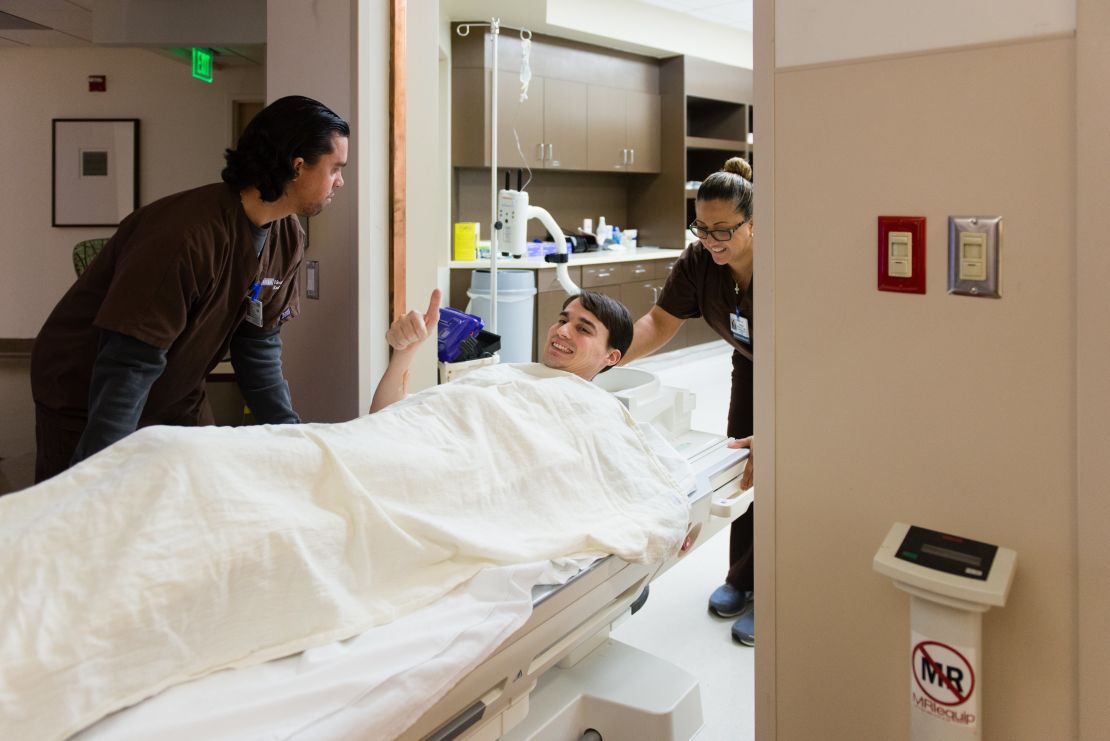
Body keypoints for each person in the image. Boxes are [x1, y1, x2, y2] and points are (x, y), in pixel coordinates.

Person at [30, 95, 349, 483]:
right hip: (89, 392)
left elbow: (258, 344)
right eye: (335, 168)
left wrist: (292, 437)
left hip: (177, 389)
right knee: (88, 512)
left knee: (193, 494)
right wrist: (97, 473)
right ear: (298, 166)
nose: (340, 181)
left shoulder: (287, 237)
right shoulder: (184, 234)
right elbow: (130, 361)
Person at [619, 156, 758, 646]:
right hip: (752, 360)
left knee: (787, 468)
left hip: (803, 373)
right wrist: (606, 357)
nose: (712, 240)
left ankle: (783, 593)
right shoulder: (700, 261)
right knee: (747, 465)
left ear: (754, 222)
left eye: (725, 230)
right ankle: (744, 579)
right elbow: (657, 324)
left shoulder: (785, 263)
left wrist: (785, 428)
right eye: (702, 227)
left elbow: (821, 353)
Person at [371, 288, 633, 412]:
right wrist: (404, 352)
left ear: (611, 356)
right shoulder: (508, 376)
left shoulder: (593, 411)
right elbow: (383, 417)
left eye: (584, 329)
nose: (562, 331)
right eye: (563, 321)